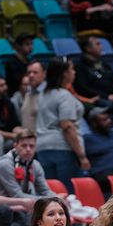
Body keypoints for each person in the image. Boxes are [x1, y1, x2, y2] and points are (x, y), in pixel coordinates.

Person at [36, 57, 89, 192]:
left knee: (52, 194)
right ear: (64, 73)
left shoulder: (43, 94)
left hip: (42, 148)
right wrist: (82, 156)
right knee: (69, 194)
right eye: (71, 69)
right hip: (63, 148)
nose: (74, 72)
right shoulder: (64, 95)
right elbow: (67, 126)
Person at [73, 36, 113, 116]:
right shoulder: (81, 67)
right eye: (98, 44)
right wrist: (107, 96)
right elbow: (83, 89)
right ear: (88, 49)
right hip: (96, 99)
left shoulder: (104, 66)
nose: (101, 47)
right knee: (108, 105)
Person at [0, 129, 52, 202]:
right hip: (8, 207)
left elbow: (45, 191)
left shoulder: (35, 164)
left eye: (31, 146)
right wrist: (48, 200)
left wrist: (57, 199)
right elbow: (16, 196)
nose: (28, 149)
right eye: (24, 146)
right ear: (15, 145)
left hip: (27, 205)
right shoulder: (5, 164)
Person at [4, 33, 33, 98]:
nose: (31, 47)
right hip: (15, 96)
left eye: (31, 44)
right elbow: (19, 82)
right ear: (18, 46)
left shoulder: (30, 62)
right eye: (27, 44)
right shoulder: (11, 62)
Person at [20, 60, 46, 133]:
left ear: (44, 74)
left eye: (35, 72)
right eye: (29, 73)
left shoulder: (49, 94)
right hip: (28, 141)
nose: (31, 75)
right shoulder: (28, 93)